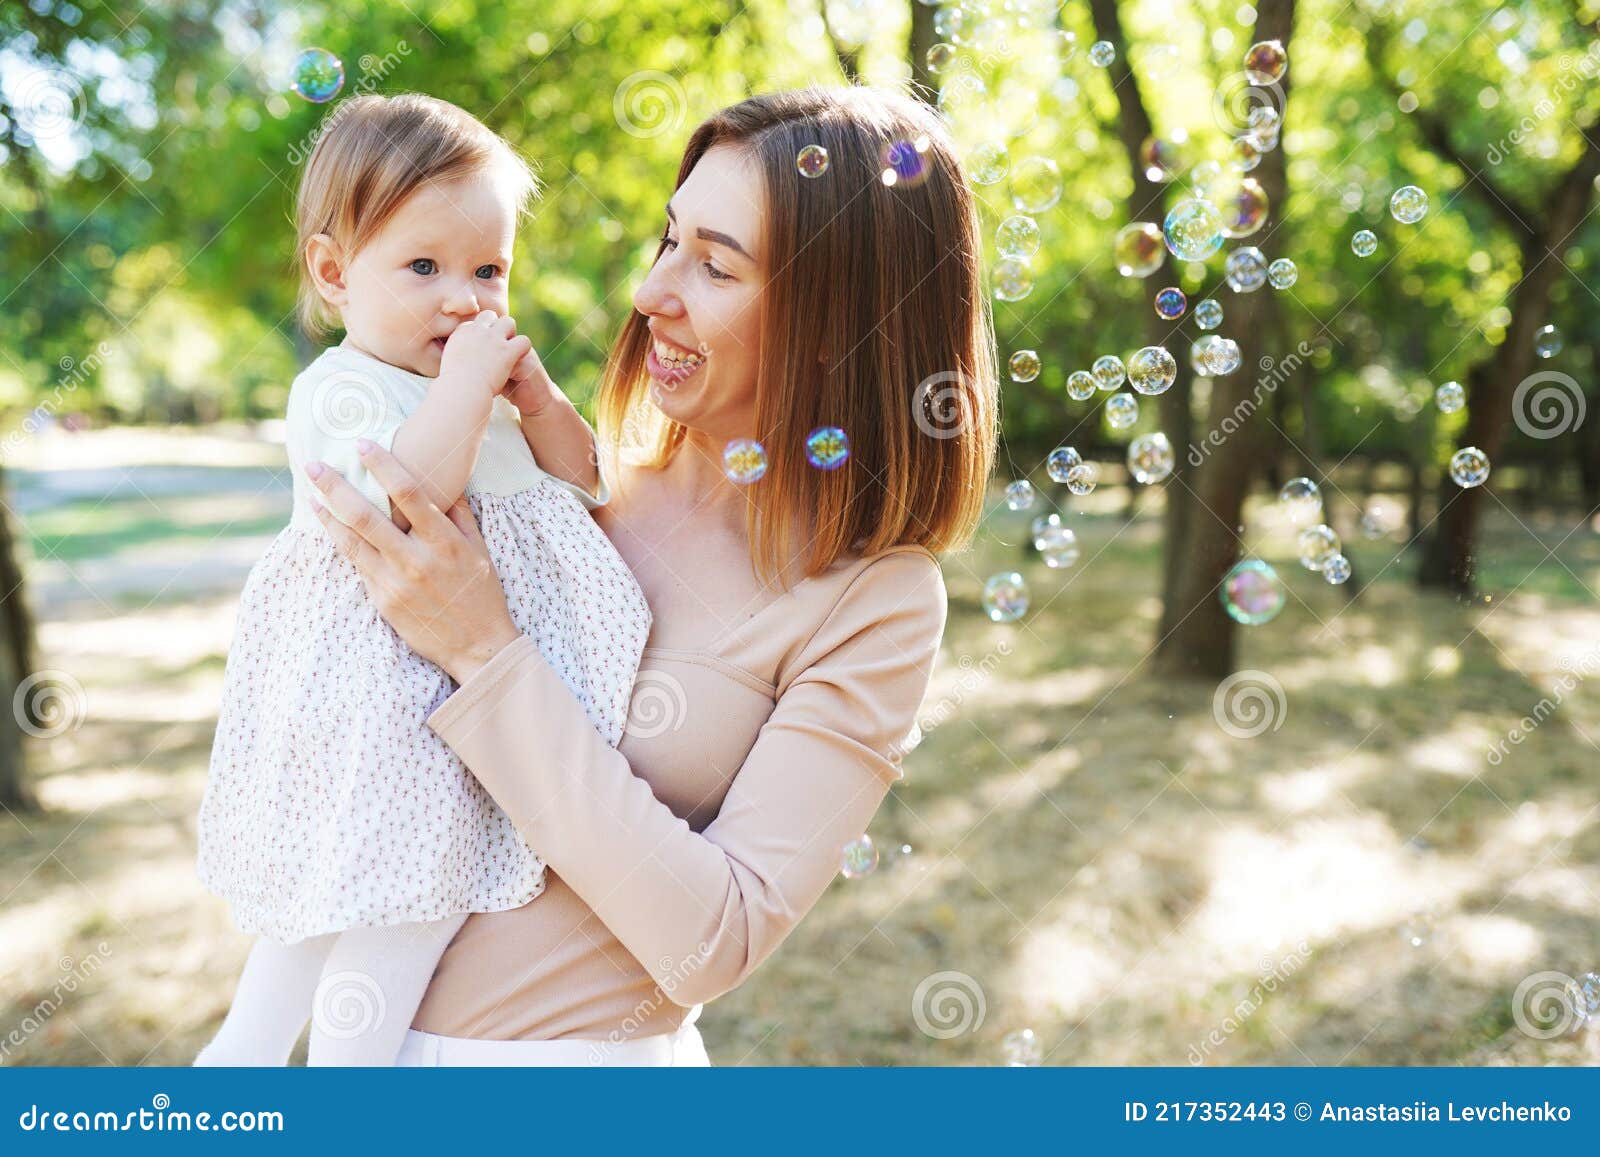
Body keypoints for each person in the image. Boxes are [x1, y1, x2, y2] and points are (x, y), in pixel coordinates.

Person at [302, 86, 998, 1066]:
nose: (650, 292)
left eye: (714, 265)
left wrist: (484, 650)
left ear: (839, 319)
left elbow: (716, 936)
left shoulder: (871, 597)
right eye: (669, 240)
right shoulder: (570, 477)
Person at [194, 94, 651, 1065]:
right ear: (333, 271)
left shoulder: (475, 392)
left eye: (489, 269)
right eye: (424, 267)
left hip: (463, 706)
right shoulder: (342, 387)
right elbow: (411, 502)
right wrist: (466, 391)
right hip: (379, 714)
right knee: (357, 920)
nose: (465, 298)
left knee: (394, 920)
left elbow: (585, 483)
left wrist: (539, 402)